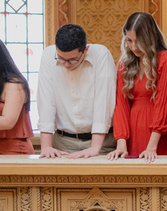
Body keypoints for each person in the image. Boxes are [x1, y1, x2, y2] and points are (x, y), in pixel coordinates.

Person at [38, 24, 117, 159]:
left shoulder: (101, 55)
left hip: (101, 143)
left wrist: (94, 148)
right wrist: (46, 147)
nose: (67, 64)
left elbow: (104, 102)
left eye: (73, 60)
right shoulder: (48, 55)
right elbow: (46, 101)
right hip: (63, 142)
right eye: (61, 59)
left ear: (85, 50)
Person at [110, 12, 167, 162]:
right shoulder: (124, 64)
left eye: (139, 41)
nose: (134, 47)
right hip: (133, 132)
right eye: (129, 40)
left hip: (158, 136)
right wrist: (121, 144)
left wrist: (152, 147)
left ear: (150, 38)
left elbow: (164, 104)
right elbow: (120, 105)